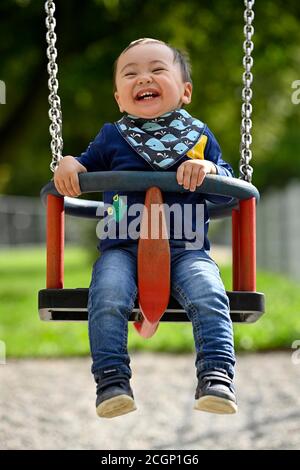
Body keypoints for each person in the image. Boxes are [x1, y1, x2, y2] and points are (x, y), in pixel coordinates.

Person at [54, 38, 237, 418]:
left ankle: (217, 375)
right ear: (119, 97)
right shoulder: (112, 136)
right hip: (121, 247)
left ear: (185, 91)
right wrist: (69, 162)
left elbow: (228, 190)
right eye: (131, 73)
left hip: (187, 248)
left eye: (157, 70)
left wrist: (210, 170)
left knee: (209, 293)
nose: (143, 78)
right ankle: (111, 381)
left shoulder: (199, 137)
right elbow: (82, 167)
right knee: (106, 294)